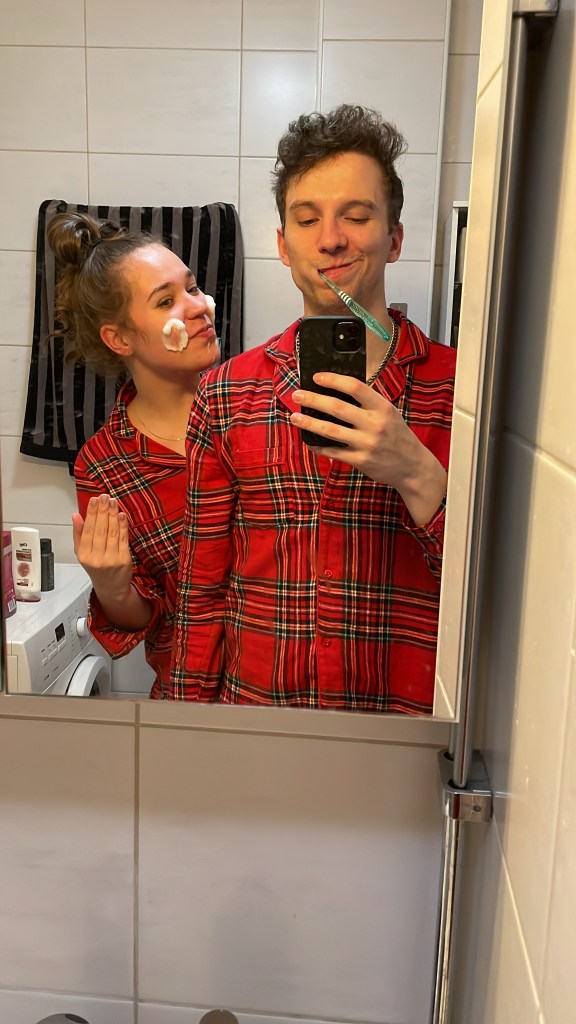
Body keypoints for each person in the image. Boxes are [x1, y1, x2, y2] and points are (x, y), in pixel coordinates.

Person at [170, 104, 456, 714]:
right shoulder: (226, 394)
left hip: (409, 732)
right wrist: (187, 732)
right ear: (283, 244)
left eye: (356, 215)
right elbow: (202, 589)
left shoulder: (464, 393)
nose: (330, 239)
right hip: (260, 726)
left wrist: (418, 474)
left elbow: (501, 601)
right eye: (306, 219)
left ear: (395, 239)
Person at [48, 211, 218, 698]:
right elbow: (142, 618)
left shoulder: (254, 407)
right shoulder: (104, 464)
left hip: (297, 696)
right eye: (166, 300)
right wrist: (113, 586)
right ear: (119, 338)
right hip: (192, 699)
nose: (198, 306)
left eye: (192, 287)